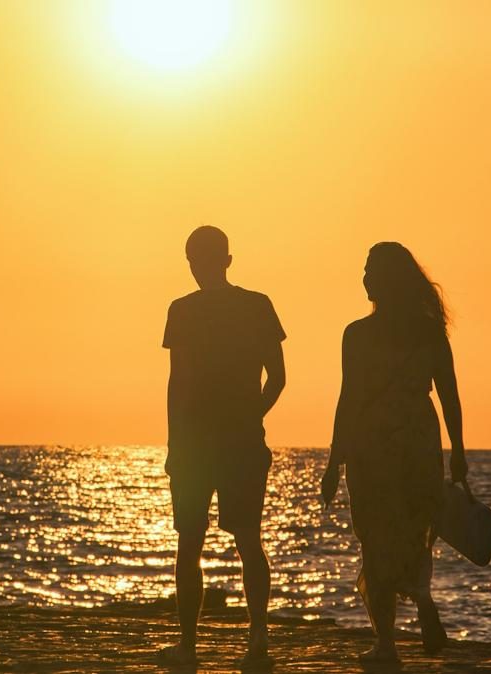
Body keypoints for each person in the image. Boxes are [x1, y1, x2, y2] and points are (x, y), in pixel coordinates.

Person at [321, 242, 468, 664]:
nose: (364, 278)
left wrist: (335, 461)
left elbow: (348, 400)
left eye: (370, 271)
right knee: (416, 534)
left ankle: (386, 643)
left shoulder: (358, 334)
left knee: (375, 540)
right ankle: (421, 597)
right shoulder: (429, 334)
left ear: (387, 279)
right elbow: (449, 398)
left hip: (372, 447)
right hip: (419, 443)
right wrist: (457, 450)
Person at [157, 226, 287, 668]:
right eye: (194, 261)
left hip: (203, 445)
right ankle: (255, 639)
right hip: (231, 443)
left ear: (222, 261)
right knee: (244, 539)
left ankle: (193, 646)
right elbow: (278, 378)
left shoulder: (186, 310)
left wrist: (178, 444)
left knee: (194, 542)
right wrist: (252, 417)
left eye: (199, 261)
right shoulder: (255, 306)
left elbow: (177, 385)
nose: (197, 269)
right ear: (227, 260)